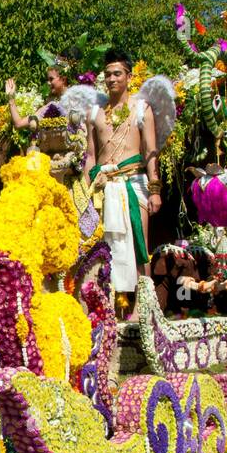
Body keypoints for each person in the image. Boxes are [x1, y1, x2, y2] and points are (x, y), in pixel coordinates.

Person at [85, 49, 162, 313]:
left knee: (139, 243)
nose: (111, 79)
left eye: (117, 73)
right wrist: (85, 192)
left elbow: (151, 151)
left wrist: (155, 189)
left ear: (128, 76)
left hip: (134, 182)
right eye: (107, 74)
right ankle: (107, 308)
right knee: (103, 246)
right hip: (103, 186)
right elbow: (91, 156)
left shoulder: (141, 109)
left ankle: (144, 308)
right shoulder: (95, 112)